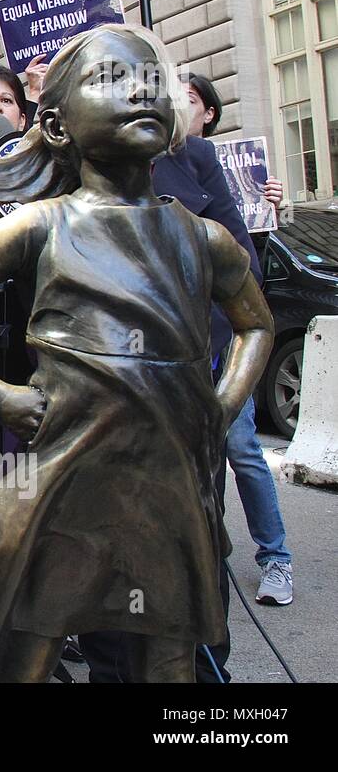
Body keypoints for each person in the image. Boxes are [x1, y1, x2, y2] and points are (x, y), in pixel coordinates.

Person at [0, 25, 274, 682]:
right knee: (38, 633)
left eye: (151, 82)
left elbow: (256, 324)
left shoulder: (203, 238)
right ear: (57, 126)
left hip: (173, 478)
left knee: (172, 644)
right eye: (112, 80)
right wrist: (1, 395)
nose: (139, 93)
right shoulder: (41, 224)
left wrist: (223, 401)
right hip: (69, 474)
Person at [177, 72, 292, 607]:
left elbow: (245, 271)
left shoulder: (205, 162)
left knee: (241, 447)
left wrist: (272, 209)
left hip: (216, 341)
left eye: (188, 96)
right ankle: (199, 567)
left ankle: (275, 559)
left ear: (207, 113)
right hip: (161, 355)